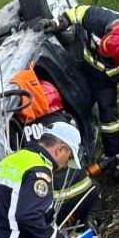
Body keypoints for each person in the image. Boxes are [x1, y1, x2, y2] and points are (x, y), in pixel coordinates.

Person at [30, 5, 119, 166]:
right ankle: (113, 154)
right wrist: (58, 23)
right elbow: (76, 13)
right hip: (95, 69)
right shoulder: (98, 18)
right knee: (107, 112)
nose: (108, 62)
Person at [20, 80, 100, 229]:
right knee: (94, 189)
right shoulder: (64, 122)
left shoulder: (20, 129)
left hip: (46, 202)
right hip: (79, 192)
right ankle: (90, 225)